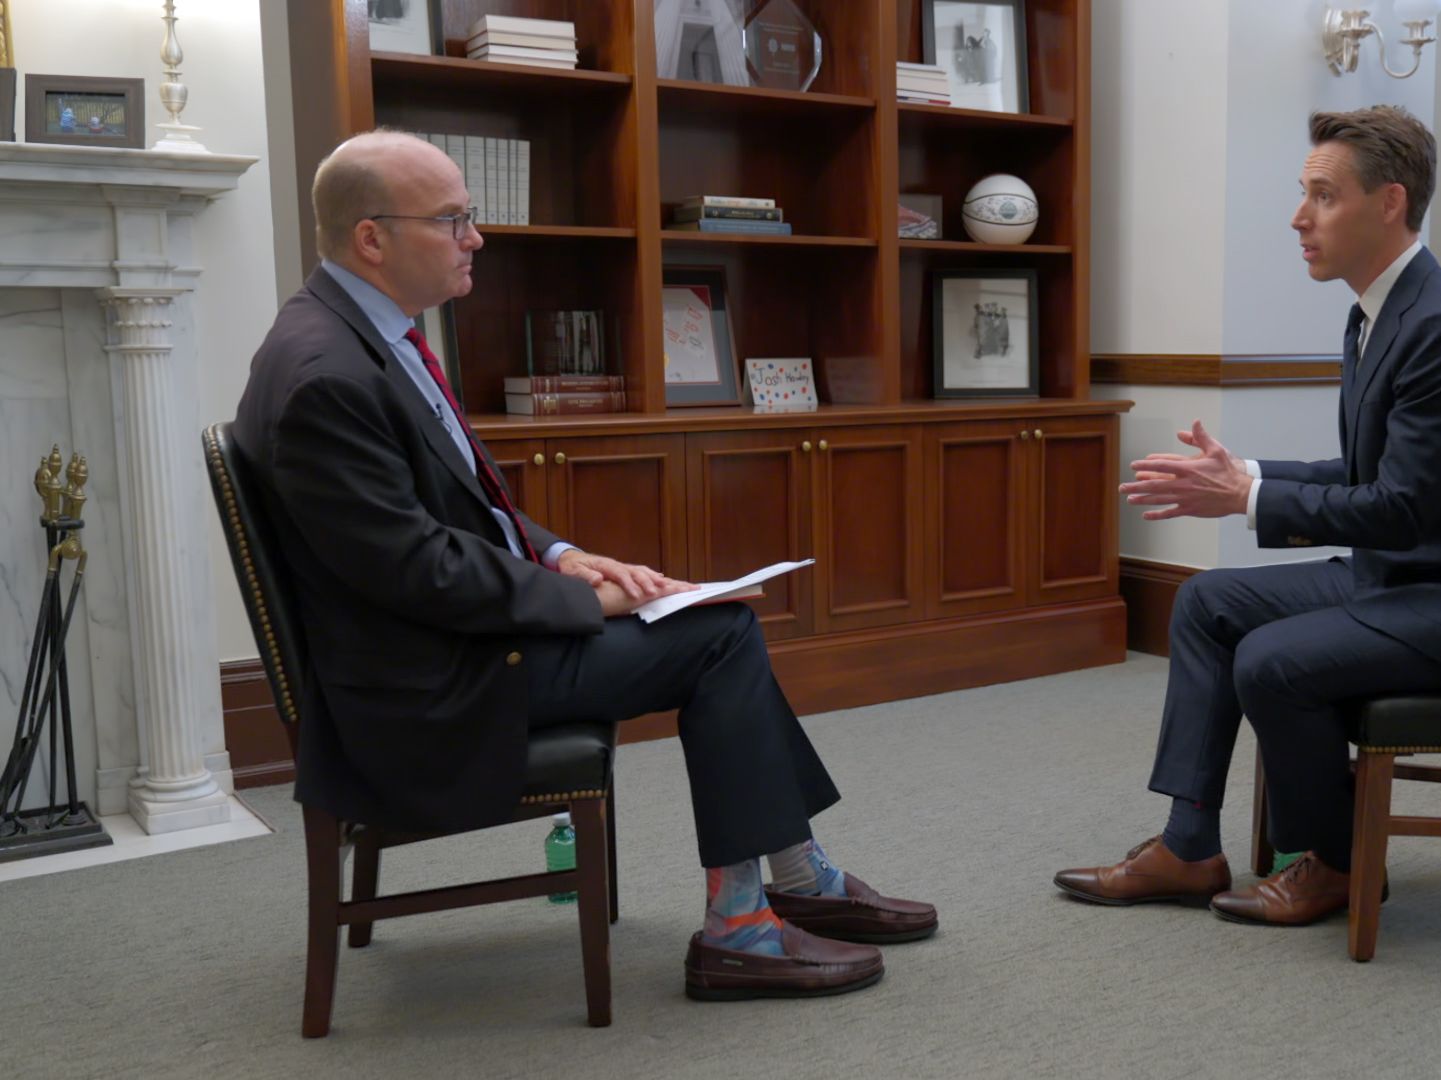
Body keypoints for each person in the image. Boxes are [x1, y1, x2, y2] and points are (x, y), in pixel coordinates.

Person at [232, 131, 934, 1000]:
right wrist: (588, 601)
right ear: (371, 238)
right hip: (425, 692)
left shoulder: (361, 337)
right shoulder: (326, 375)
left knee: (713, 624)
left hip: (439, 649)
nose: (476, 238)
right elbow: (418, 570)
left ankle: (791, 886)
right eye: (454, 220)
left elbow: (462, 506)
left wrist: (564, 555)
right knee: (719, 635)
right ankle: (750, 922)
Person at [1053, 106, 1441, 927]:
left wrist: (1246, 500)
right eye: (1303, 194)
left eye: (1322, 196)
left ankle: (1342, 862)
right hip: (1405, 581)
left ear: (1389, 202)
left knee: (1273, 661)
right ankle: (1190, 844)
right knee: (1207, 602)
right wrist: (1252, 473)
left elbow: (1401, 508)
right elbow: (1371, 476)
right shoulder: (1378, 311)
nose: (1299, 217)